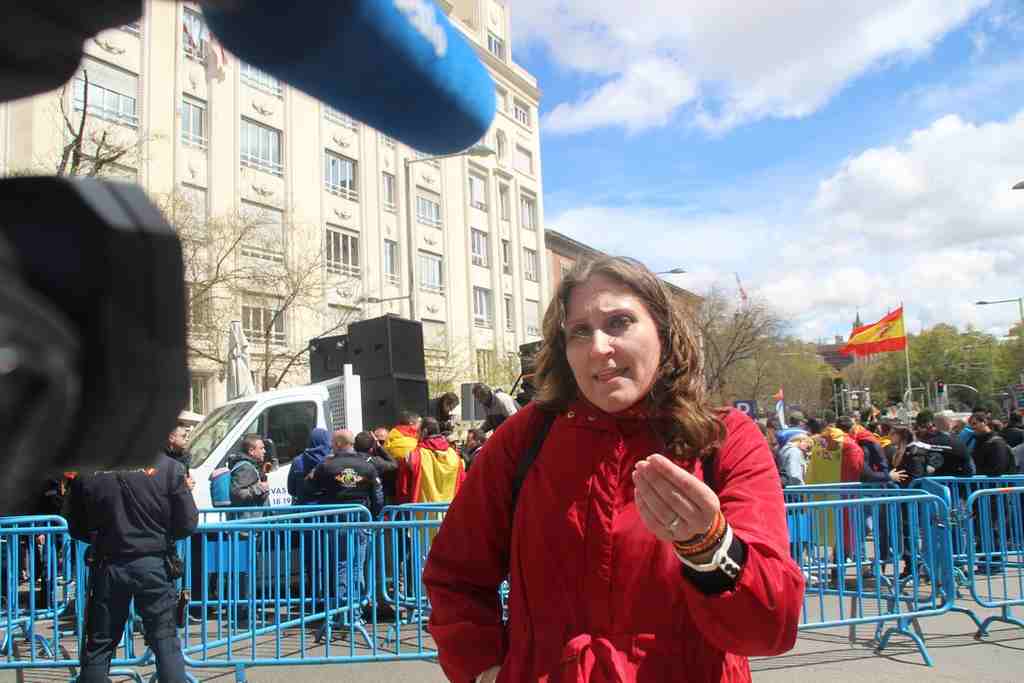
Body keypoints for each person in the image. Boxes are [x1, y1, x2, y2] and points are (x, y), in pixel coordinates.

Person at [423, 256, 802, 683]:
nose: (598, 347)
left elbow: (770, 627)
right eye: (580, 332)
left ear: (663, 331)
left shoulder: (725, 437)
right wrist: (483, 669)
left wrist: (710, 547)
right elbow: (455, 574)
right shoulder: (523, 438)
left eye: (619, 322)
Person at [65, 450, 198, 683]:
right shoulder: (168, 467)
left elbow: (76, 526)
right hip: (153, 563)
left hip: (109, 564)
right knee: (165, 640)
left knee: (100, 643)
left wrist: (107, 537)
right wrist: (159, 538)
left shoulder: (87, 470)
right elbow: (187, 523)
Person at [311, 429, 384, 608]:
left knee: (342, 564)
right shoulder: (367, 465)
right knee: (357, 564)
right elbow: (378, 495)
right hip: (361, 518)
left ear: (337, 444)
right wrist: (375, 515)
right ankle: (354, 608)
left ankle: (345, 608)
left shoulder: (326, 465)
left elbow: (309, 487)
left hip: (337, 519)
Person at [396, 417, 466, 504]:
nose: (416, 435)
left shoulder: (414, 456)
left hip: (420, 515)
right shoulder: (455, 456)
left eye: (418, 432)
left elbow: (403, 490)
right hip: (448, 513)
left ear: (424, 432)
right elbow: (463, 485)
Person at [228, 434, 270, 518]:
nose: (264, 451)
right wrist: (260, 488)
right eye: (261, 448)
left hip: (252, 522)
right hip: (248, 523)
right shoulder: (245, 467)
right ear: (251, 451)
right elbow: (237, 493)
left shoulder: (250, 465)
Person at [288, 427, 333, 505]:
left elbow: (291, 490)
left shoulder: (298, 461)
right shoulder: (332, 461)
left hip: (304, 510)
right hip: (328, 511)